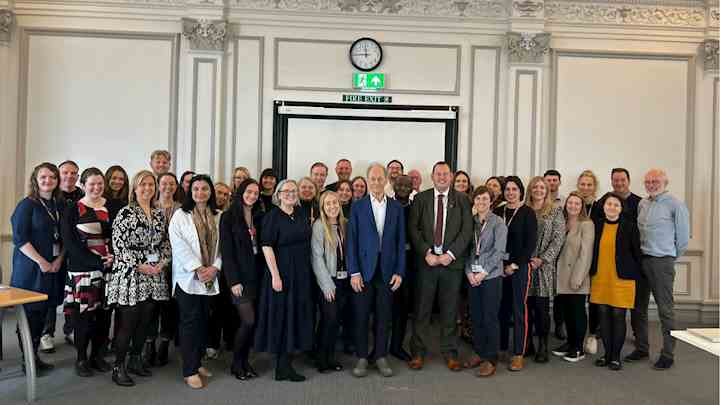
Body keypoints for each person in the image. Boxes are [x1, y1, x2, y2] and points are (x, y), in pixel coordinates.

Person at [107, 170, 171, 387]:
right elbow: (118, 245)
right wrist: (139, 265)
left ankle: (135, 359)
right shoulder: (126, 213)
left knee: (146, 321)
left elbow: (164, 243)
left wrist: (162, 262)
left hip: (154, 274)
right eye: (143, 185)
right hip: (131, 273)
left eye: (151, 185)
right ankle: (119, 366)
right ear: (135, 188)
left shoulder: (159, 213)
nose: (147, 188)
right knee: (128, 322)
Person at [408, 162, 473, 372]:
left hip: (451, 265)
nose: (442, 177)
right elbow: (413, 229)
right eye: (438, 174)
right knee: (422, 310)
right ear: (432, 176)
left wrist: (450, 255)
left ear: (451, 176)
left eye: (446, 174)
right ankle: (418, 353)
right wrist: (426, 252)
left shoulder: (463, 200)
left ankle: (450, 353)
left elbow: (466, 231)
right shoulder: (421, 199)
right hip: (426, 264)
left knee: (449, 311)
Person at [346, 163, 405, 378]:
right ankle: (362, 356)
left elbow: (400, 242)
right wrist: (353, 272)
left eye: (381, 179)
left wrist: (400, 271)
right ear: (367, 180)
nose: (377, 182)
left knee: (384, 316)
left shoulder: (396, 207)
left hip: (388, 271)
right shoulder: (358, 206)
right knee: (361, 315)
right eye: (373, 179)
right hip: (362, 271)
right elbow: (351, 241)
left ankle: (380, 355)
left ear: (386, 180)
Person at [254, 179, 314, 382]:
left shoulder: (301, 214)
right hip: (282, 273)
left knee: (296, 315)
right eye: (286, 191)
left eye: (293, 191)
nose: (290, 194)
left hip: (302, 274)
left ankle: (287, 363)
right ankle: (282, 367)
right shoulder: (272, 217)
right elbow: (267, 246)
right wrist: (275, 275)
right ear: (278, 195)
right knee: (282, 316)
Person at [631, 169, 689, 370]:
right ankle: (641, 347)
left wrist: (669, 258)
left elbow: (682, 239)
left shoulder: (675, 205)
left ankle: (668, 353)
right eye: (648, 181)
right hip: (642, 261)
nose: (651, 184)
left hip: (661, 261)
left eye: (655, 181)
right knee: (638, 307)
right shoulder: (642, 203)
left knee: (665, 310)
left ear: (665, 182)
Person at [169, 174, 222, 389]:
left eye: (205, 189)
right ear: (190, 192)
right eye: (196, 189)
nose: (200, 193)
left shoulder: (218, 215)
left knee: (202, 321)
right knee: (190, 323)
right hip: (188, 277)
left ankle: (197, 362)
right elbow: (178, 245)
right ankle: (189, 370)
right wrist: (198, 268)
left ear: (211, 192)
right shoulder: (180, 215)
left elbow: (223, 246)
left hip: (210, 277)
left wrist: (215, 267)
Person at [61, 167, 116, 376]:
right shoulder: (72, 209)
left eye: (100, 184)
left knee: (104, 317)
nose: (96, 187)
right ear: (83, 185)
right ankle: (82, 359)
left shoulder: (112, 206)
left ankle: (98, 356)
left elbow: (117, 237)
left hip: (109, 270)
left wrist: (113, 259)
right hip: (83, 271)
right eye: (92, 184)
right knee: (83, 318)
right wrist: (97, 261)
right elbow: (71, 244)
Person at [11, 162, 64, 375]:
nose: (48, 181)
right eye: (43, 177)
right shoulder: (27, 205)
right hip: (31, 269)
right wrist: (41, 261)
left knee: (43, 313)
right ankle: (28, 360)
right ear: (35, 180)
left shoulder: (58, 206)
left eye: (52, 177)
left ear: (57, 181)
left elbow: (65, 238)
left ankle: (34, 356)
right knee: (30, 315)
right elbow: (19, 238)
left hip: (53, 267)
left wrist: (59, 259)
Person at [589, 193, 642, 371]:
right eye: (609, 204)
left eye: (616, 205)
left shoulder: (630, 227)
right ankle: (606, 354)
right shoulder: (596, 225)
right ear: (603, 206)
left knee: (618, 316)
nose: (612, 207)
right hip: (600, 277)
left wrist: (636, 275)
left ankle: (615, 357)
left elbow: (637, 254)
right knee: (603, 316)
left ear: (621, 208)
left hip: (622, 279)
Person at [220, 178, 265, 380]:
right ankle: (236, 363)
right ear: (241, 192)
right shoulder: (228, 217)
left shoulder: (258, 215)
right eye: (249, 192)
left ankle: (245, 362)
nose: (252, 196)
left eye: (256, 193)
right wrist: (233, 281)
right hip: (238, 278)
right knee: (248, 320)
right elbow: (227, 252)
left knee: (252, 324)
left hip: (256, 276)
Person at [462, 186, 507, 377]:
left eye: (485, 199)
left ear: (492, 201)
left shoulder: (498, 223)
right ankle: (479, 352)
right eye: (478, 199)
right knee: (476, 317)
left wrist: (484, 273)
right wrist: (469, 273)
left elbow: (499, 252)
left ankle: (491, 358)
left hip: (491, 277)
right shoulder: (470, 222)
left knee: (490, 318)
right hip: (473, 276)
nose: (481, 202)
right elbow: (467, 251)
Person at [495, 176, 537, 372]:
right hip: (498, 268)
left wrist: (513, 265)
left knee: (519, 310)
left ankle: (518, 353)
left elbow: (529, 245)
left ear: (520, 191)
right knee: (501, 310)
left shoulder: (528, 213)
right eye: (507, 189)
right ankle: (501, 347)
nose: (510, 193)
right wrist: (500, 265)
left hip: (519, 268)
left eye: (514, 189)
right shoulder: (498, 211)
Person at [143, 173, 182, 367]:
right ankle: (149, 342)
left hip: (176, 264)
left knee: (169, 306)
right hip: (151, 265)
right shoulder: (148, 207)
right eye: (164, 183)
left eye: (172, 183)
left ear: (176, 187)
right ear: (158, 185)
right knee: (151, 306)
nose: (168, 186)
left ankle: (165, 342)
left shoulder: (182, 209)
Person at [526, 176, 566, 363]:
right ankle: (527, 344)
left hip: (543, 268)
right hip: (524, 266)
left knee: (542, 309)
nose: (539, 190)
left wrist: (542, 259)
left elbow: (558, 239)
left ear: (547, 190)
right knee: (526, 307)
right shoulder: (523, 210)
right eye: (535, 187)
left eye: (542, 187)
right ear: (530, 189)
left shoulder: (555, 211)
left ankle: (543, 345)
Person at [552, 192, 594, 362]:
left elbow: (586, 254)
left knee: (577, 312)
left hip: (577, 275)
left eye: (577, 203)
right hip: (561, 274)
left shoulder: (587, 224)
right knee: (567, 311)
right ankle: (570, 343)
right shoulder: (563, 222)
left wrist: (578, 278)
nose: (573, 206)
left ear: (581, 206)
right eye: (570, 203)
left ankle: (578, 348)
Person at [311, 191, 350, 373]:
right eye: (328, 204)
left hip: (344, 280)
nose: (332, 206)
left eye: (335, 203)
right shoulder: (319, 226)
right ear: (323, 208)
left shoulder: (345, 224)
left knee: (336, 321)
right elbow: (316, 258)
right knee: (329, 318)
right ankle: (321, 358)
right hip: (327, 281)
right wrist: (327, 285)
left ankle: (330, 357)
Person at [207, 182, 239, 359]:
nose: (222, 197)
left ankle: (228, 340)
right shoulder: (204, 213)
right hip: (206, 267)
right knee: (212, 309)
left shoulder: (227, 215)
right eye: (219, 193)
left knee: (226, 306)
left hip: (224, 267)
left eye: (226, 195)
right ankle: (211, 343)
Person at [577, 169, 602, 354]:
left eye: (589, 185)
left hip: (595, 260)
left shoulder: (600, 207)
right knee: (576, 299)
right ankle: (575, 336)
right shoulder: (573, 204)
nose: (585, 187)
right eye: (583, 184)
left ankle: (593, 335)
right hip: (574, 260)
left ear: (594, 187)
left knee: (593, 300)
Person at [390, 175, 414, 362]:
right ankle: (380, 346)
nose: (403, 187)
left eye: (407, 185)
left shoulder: (416, 207)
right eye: (400, 184)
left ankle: (397, 346)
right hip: (387, 262)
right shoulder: (387, 205)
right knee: (384, 306)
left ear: (413, 187)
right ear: (393, 185)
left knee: (403, 307)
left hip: (410, 263)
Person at [544, 169, 567, 340]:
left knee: (560, 292)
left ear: (559, 182)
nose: (552, 183)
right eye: (549, 180)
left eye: (554, 180)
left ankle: (559, 324)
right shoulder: (537, 199)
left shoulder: (565, 202)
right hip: (542, 253)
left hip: (561, 251)